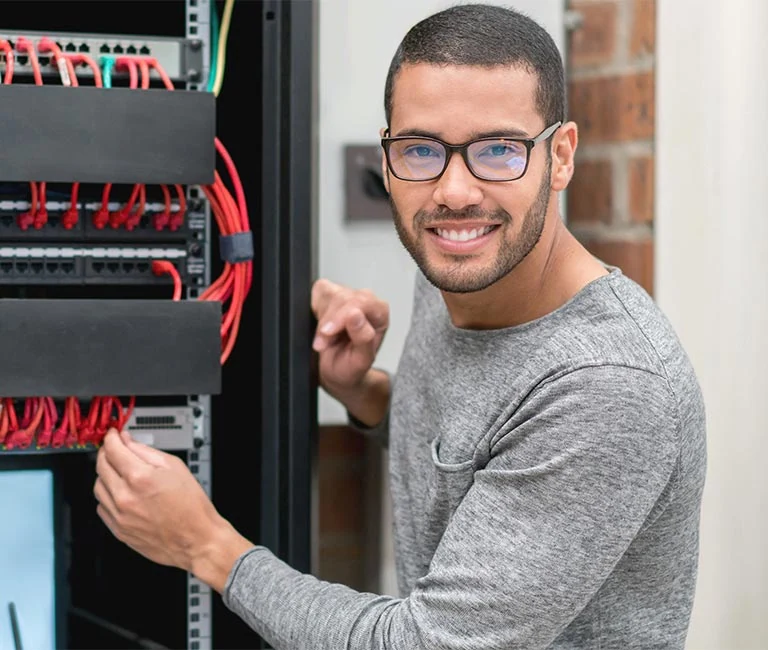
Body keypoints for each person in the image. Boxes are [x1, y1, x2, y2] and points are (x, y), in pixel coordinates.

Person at [94, 4, 707, 648]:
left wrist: (206, 546)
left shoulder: (608, 388)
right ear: (388, 159)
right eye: (422, 150)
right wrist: (366, 395)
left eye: (499, 150)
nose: (454, 191)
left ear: (561, 156)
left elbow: (424, 643)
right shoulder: (459, 268)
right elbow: (483, 445)